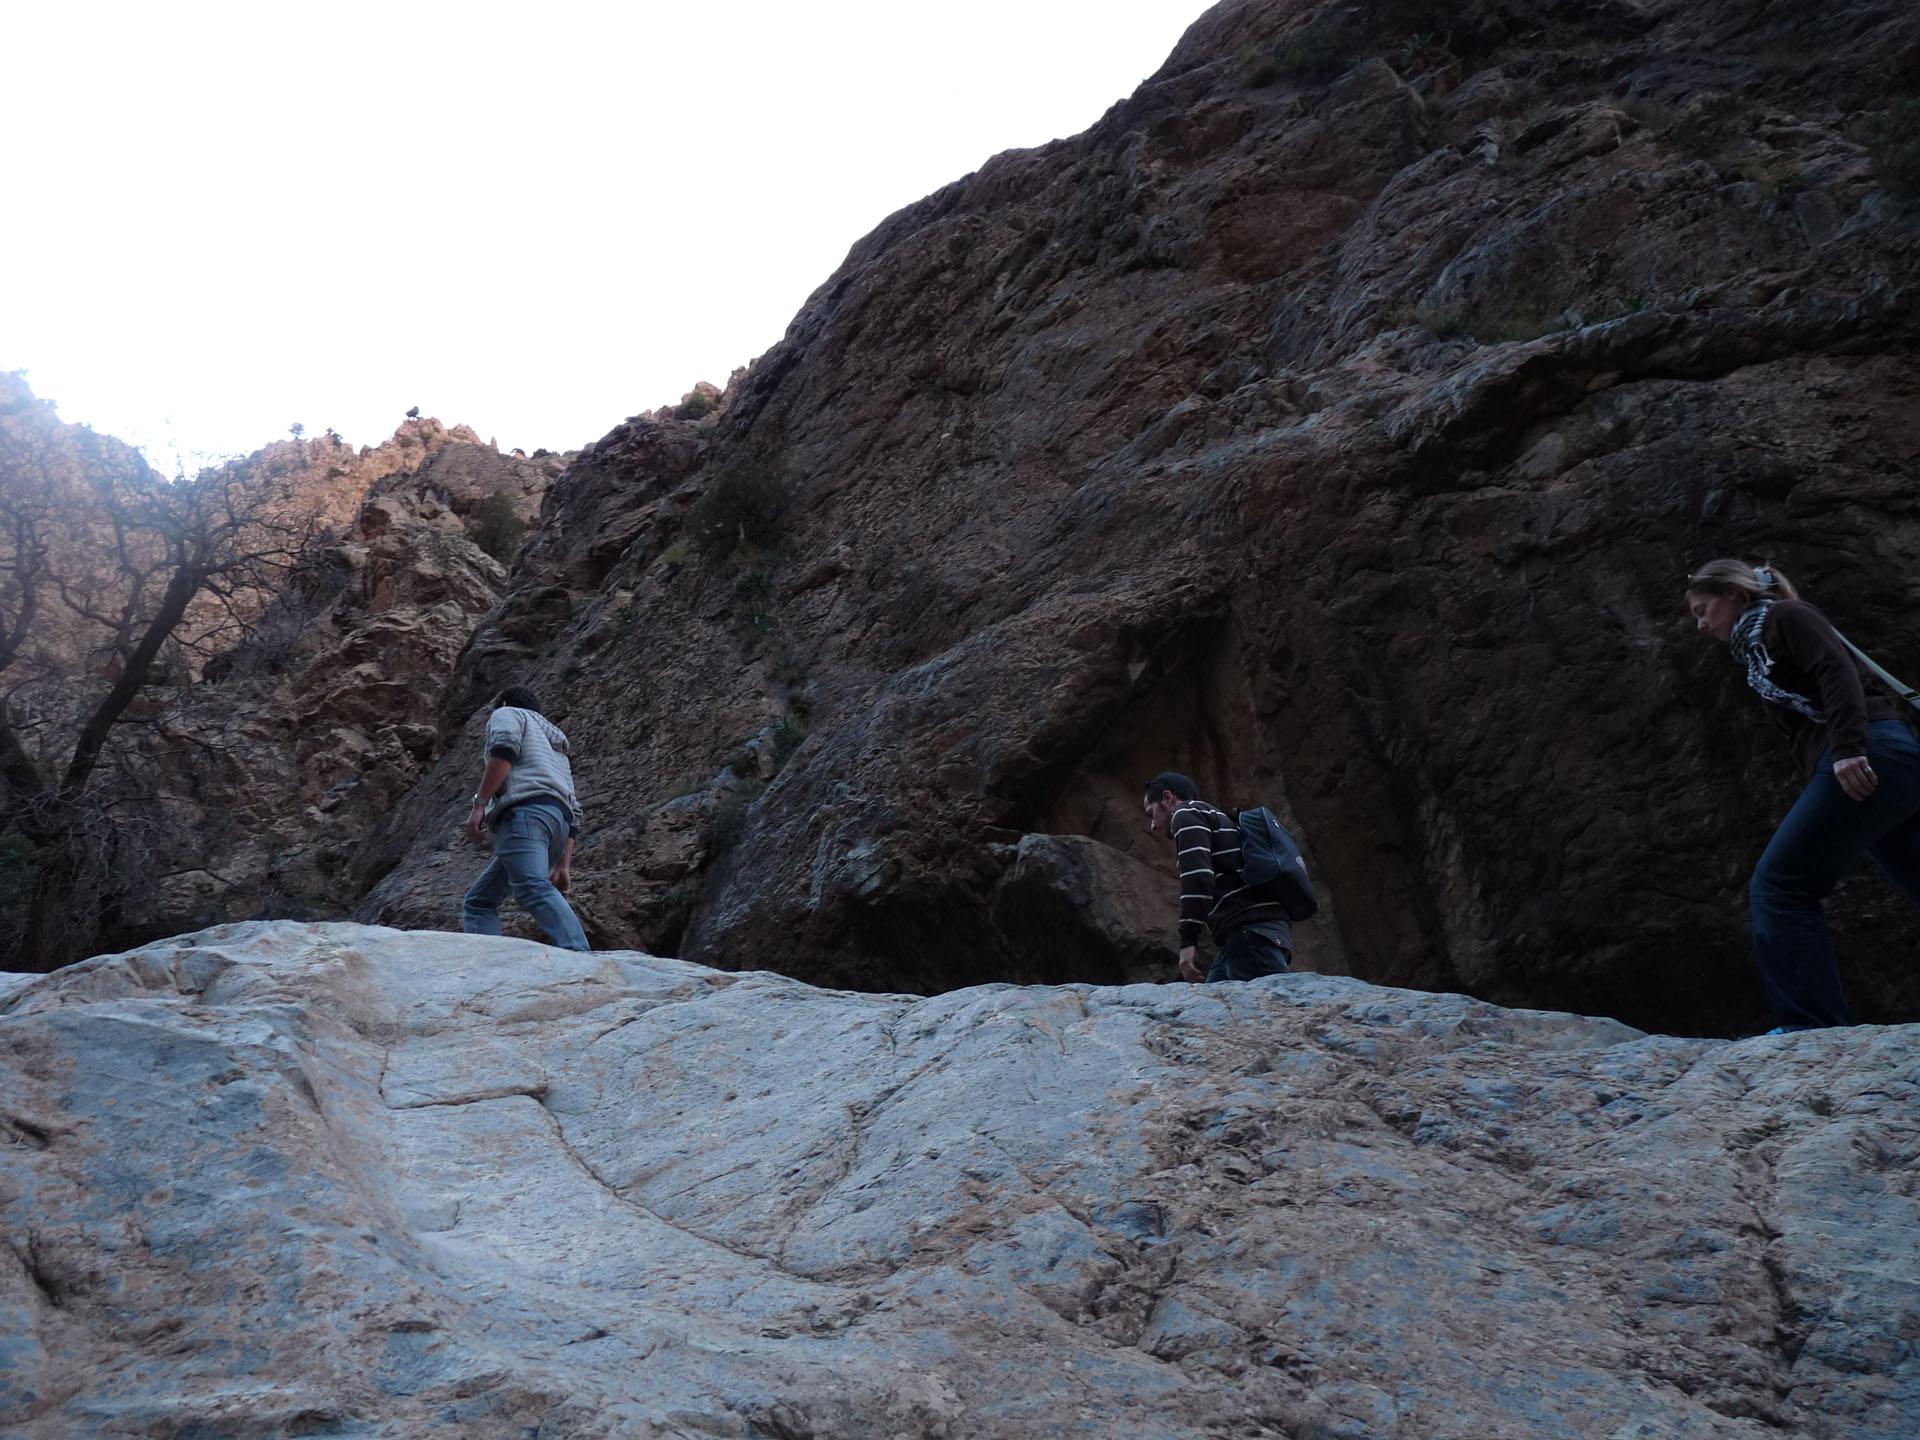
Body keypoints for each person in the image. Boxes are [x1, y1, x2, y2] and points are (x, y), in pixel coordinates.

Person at [1685, 559, 1920, 1031]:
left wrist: (1848, 749)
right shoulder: (1756, 651)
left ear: (1734, 594)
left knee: (1780, 887)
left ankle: (1810, 1029)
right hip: (1889, 763)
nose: (1701, 625)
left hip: (1869, 753)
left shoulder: (1786, 616)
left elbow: (1837, 671)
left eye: (1703, 609)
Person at [461, 684, 590, 951]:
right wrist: (563, 865)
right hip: (557, 825)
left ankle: (580, 954)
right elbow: (574, 810)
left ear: (503, 704)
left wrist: (479, 805)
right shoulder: (555, 747)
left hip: (525, 816)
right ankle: (487, 961)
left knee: (532, 887)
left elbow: (504, 751)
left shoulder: (507, 713)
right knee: (479, 901)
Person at [1143, 771, 1293, 983]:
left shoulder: (1185, 814)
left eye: (1151, 813)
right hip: (1254, 932)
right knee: (1210, 997)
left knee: (1272, 1002)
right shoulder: (1212, 816)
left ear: (1168, 798)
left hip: (1250, 932)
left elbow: (1198, 879)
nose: (1153, 825)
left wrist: (1187, 942)